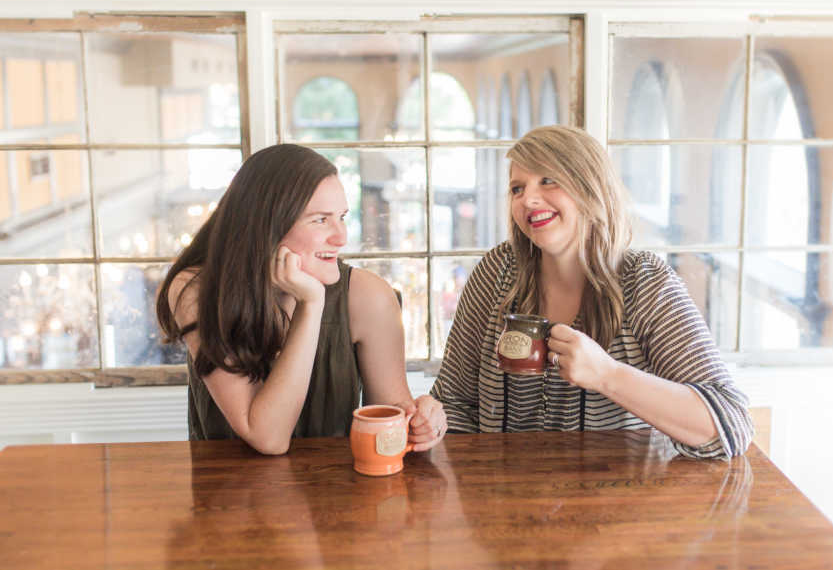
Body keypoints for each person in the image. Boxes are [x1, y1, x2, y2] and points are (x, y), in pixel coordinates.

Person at [430, 126, 752, 459]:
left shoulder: (644, 282)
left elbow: (731, 424)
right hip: (504, 502)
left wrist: (608, 375)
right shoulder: (496, 272)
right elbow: (454, 402)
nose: (528, 198)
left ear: (589, 188)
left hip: (617, 501)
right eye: (517, 188)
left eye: (548, 180)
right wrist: (433, 419)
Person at [157, 144, 447, 455]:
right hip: (228, 497)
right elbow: (267, 437)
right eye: (320, 220)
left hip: (336, 493)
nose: (341, 237)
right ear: (267, 226)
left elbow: (391, 423)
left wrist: (423, 420)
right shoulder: (195, 290)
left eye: (342, 217)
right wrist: (311, 305)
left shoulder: (369, 297)